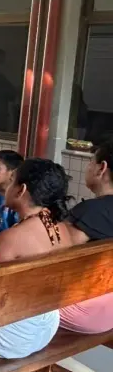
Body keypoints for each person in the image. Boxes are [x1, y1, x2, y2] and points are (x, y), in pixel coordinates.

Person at [0, 159, 70, 372]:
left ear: (21, 190)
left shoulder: (10, 238)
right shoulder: (61, 229)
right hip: (47, 327)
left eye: (12, 181)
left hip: (11, 338)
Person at [60, 140, 113, 334]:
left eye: (91, 161)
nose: (88, 167)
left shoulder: (90, 212)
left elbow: (53, 251)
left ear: (101, 168)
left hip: (86, 312)